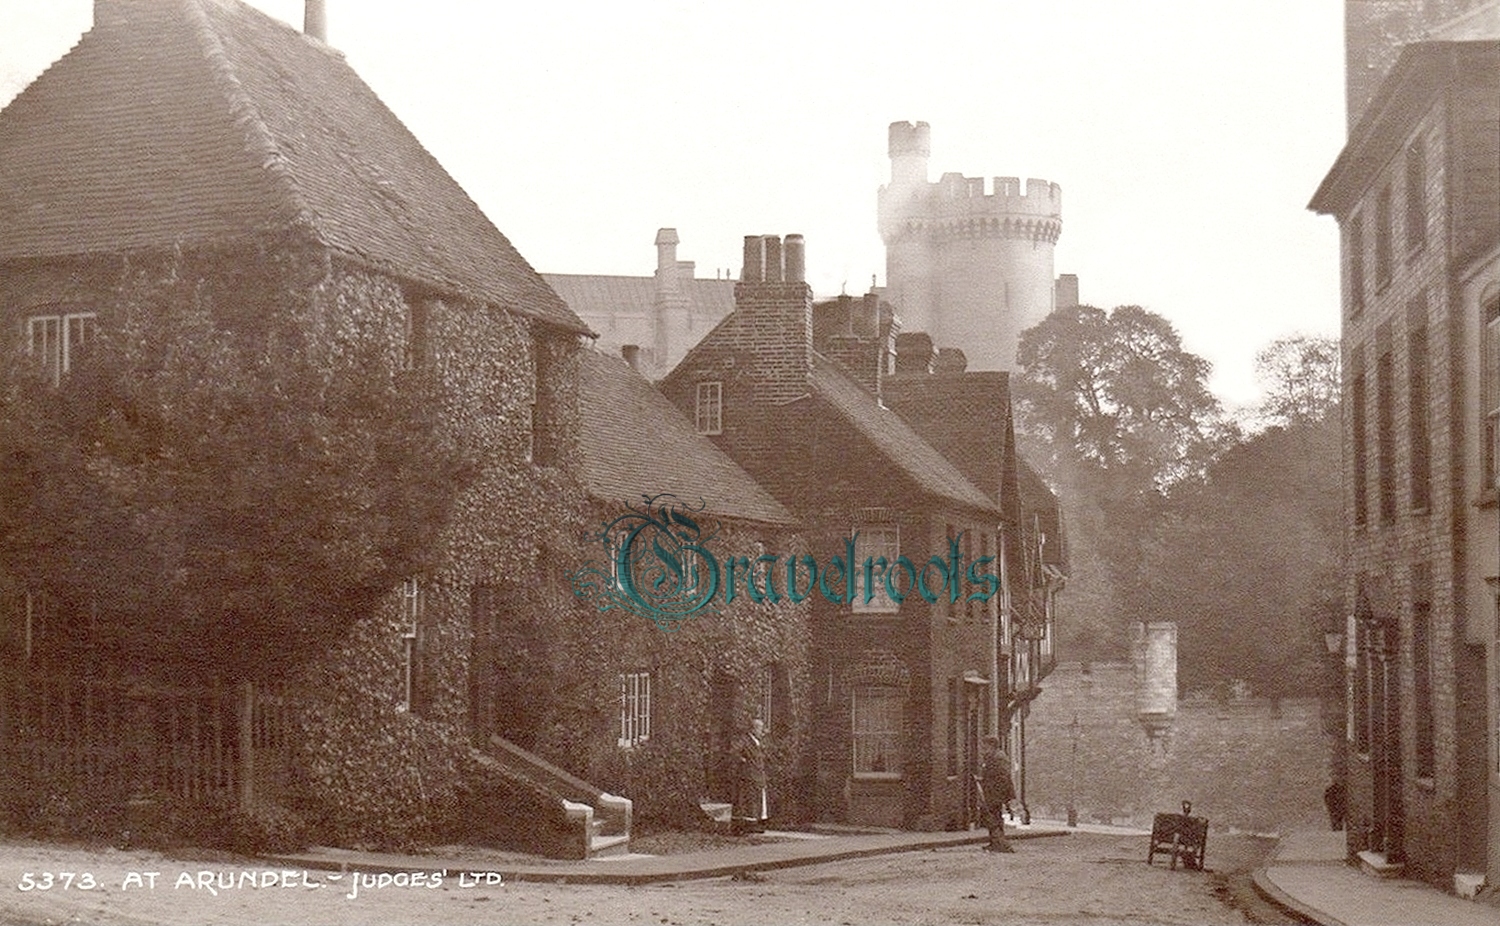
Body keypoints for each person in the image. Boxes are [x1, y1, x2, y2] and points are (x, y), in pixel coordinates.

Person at [977, 735, 1016, 852]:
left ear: (991, 745)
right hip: (992, 792)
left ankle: (1000, 843)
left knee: (993, 817)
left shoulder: (999, 758)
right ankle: (995, 842)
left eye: (985, 746)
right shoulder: (993, 756)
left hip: (995, 793)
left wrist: (1001, 795)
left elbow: (1002, 777)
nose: (982, 748)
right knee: (992, 817)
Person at [735, 718, 768, 834]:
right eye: (760, 728)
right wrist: (743, 761)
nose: (762, 731)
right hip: (750, 775)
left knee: (758, 800)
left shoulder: (757, 742)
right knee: (750, 801)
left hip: (758, 775)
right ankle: (748, 825)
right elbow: (735, 752)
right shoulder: (745, 740)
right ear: (754, 729)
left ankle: (757, 822)